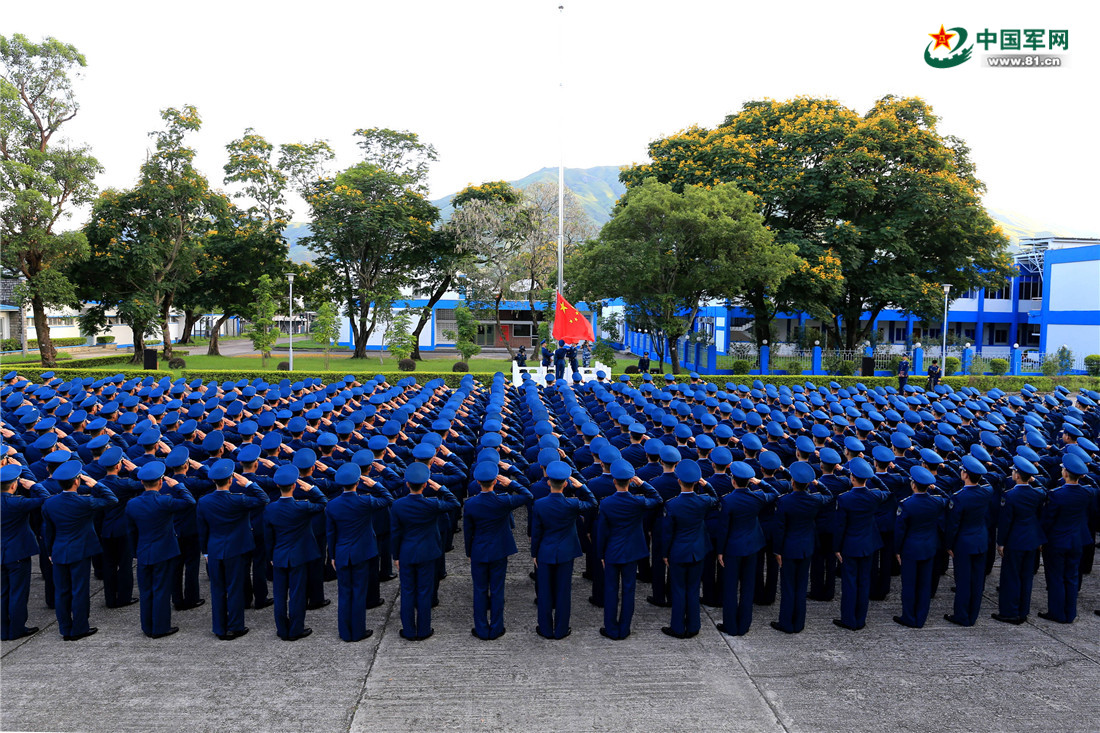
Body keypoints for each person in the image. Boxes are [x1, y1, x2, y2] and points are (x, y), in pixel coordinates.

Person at [41, 462, 118, 640]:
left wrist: (50, 551)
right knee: (79, 591)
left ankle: (65, 628)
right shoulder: (84, 501)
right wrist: (96, 484)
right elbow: (112, 499)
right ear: (77, 481)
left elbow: (48, 531)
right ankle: (80, 627)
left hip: (59, 551)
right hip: (80, 551)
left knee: (62, 592)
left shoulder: (49, 503)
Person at [197, 458, 270, 640]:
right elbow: (263, 498)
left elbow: (203, 529)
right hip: (235, 549)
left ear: (214, 481)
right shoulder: (238, 500)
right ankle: (236, 625)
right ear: (230, 480)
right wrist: (249, 484)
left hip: (214, 550)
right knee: (235, 589)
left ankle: (220, 628)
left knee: (218, 590)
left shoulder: (204, 502)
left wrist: (205, 551)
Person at [125, 461, 196, 638]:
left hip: (144, 551)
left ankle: (147, 626)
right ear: (160, 482)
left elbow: (131, 531)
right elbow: (190, 501)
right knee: (161, 591)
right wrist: (178, 485)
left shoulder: (132, 504)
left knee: (146, 591)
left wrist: (135, 552)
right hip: (164, 552)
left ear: (142, 483)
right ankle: (161, 627)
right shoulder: (165, 501)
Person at [325, 462, 394, 643]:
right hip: (362, 553)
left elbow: (331, 533)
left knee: (344, 593)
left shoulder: (332, 505)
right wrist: (375, 484)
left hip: (341, 553)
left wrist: (332, 555)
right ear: (358, 482)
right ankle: (358, 631)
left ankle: (345, 631)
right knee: (359, 593)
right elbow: (388, 498)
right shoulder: (365, 500)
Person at [463, 462, 532, 640]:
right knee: (497, 590)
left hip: (479, 550)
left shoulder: (470, 504)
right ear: (496, 481)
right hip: (499, 550)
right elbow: (527, 495)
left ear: (478, 482)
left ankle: (481, 628)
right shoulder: (503, 501)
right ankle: (496, 627)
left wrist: (469, 552)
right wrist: (511, 483)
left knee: (479, 590)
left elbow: (468, 531)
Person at [391, 462, 460, 641]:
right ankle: (423, 629)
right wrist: (440, 488)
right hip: (428, 552)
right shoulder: (432, 504)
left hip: (406, 552)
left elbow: (396, 533)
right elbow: (454, 502)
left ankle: (408, 630)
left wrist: (396, 555)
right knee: (424, 591)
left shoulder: (398, 505)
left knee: (407, 592)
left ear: (407, 484)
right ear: (424, 485)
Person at [596, 459, 662, 640]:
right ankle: (624, 629)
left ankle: (610, 628)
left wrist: (600, 553)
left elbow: (602, 532)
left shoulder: (606, 504)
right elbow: (657, 499)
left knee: (610, 590)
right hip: (632, 551)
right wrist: (642, 483)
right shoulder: (638, 501)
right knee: (628, 591)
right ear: (629, 481)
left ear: (614, 481)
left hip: (612, 551)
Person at [531, 461, 596, 640]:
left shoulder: (540, 504)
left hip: (545, 551)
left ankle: (545, 628)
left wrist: (534, 554)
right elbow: (592, 502)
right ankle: (561, 629)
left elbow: (536, 532)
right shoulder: (572, 504)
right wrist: (581, 486)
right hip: (566, 551)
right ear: (565, 484)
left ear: (549, 482)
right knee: (563, 591)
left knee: (544, 592)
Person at [264, 465, 328, 641]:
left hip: (279, 555)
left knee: (279, 595)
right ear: (294, 486)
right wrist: (311, 488)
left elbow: (268, 538)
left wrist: (270, 557)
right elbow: (323, 502)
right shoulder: (302, 507)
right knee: (297, 594)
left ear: (278, 486)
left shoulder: (270, 509)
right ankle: (296, 628)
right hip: (299, 555)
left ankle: (282, 629)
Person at [715, 461, 777, 636]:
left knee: (730, 587)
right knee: (748, 587)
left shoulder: (727, 500)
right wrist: (760, 482)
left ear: (733, 481)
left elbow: (724, 529)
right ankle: (744, 624)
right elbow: (774, 492)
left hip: (733, 548)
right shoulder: (757, 497)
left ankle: (730, 625)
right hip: (752, 546)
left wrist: (720, 551)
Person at [660, 459, 719, 639]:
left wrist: (664, 554)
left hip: (678, 552)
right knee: (693, 589)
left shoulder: (672, 505)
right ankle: (693, 626)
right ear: (695, 483)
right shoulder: (703, 501)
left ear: (679, 481)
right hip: (698, 551)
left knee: (678, 590)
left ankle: (678, 627)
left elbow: (668, 533)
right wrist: (707, 484)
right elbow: (715, 498)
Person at [771, 461, 832, 634]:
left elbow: (780, 529)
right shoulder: (814, 500)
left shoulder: (784, 502)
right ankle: (798, 623)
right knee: (801, 585)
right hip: (806, 546)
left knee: (788, 586)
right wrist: (817, 483)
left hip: (789, 548)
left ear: (792, 482)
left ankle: (786, 622)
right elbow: (828, 495)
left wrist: (777, 550)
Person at [833, 461, 890, 631]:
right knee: (864, 582)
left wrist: (836, 547)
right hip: (868, 543)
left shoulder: (844, 498)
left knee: (850, 583)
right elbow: (887, 490)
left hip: (851, 545)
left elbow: (840, 526)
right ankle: (860, 618)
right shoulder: (873, 496)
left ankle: (849, 619)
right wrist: (874, 477)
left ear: (852, 478)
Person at [1038, 454, 1095, 624]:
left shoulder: (1056, 494)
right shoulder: (1087, 492)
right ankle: (1070, 613)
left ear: (1065, 473)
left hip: (1057, 541)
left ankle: (1056, 612)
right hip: (1077, 540)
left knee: (1056, 577)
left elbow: (1048, 520)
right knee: (1071, 577)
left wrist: (1042, 539)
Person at [993, 457, 1045, 625]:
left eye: (1014, 471)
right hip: (1031, 539)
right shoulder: (1037, 494)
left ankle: (1009, 612)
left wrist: (1001, 542)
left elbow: (1005, 522)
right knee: (1026, 577)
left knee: (1011, 577)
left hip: (1015, 540)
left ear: (1016, 475)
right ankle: (1023, 611)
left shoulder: (1010, 496)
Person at [893, 466, 947, 628]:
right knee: (924, 585)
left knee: (909, 584)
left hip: (911, 548)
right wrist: (935, 487)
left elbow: (900, 531)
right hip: (929, 547)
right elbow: (947, 498)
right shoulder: (936, 502)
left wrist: (897, 550)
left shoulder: (907, 504)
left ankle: (909, 616)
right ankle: (921, 617)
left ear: (913, 485)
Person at [944, 456, 995, 626]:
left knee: (963, 581)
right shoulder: (986, 491)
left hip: (964, 543)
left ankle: (961, 615)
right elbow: (986, 482)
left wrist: (948, 545)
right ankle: (972, 614)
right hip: (981, 540)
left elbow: (953, 525)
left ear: (965, 475)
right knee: (977, 580)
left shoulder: (959, 497)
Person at [1, 463, 49, 640]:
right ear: (14, 485)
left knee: (3, 593)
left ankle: (3, 630)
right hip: (18, 553)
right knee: (18, 593)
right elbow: (46, 498)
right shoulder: (17, 502)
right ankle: (17, 629)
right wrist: (35, 486)